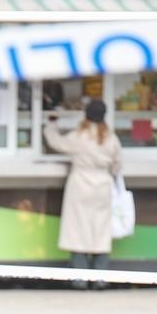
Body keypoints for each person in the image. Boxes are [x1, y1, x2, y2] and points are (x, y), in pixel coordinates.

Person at [43, 99, 122, 288]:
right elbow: (118, 164)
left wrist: (50, 125)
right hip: (102, 185)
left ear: (86, 115)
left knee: (77, 230)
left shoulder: (79, 136)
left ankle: (79, 278)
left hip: (80, 184)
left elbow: (56, 142)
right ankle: (100, 278)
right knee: (100, 231)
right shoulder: (111, 138)